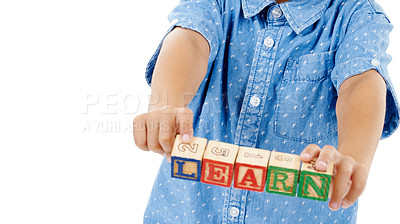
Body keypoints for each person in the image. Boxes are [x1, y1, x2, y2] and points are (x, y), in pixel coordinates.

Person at [133, 0, 400, 223]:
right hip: (186, 212)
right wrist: (166, 104)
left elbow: (360, 81)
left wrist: (352, 155)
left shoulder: (358, 16)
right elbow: (189, 39)